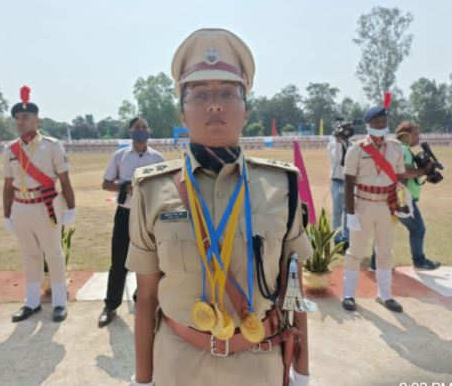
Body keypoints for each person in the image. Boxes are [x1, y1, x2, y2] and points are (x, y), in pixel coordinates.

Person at [125, 28, 313, 386]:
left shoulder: (281, 186)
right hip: (177, 364)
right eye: (200, 94)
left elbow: (294, 291)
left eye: (228, 93)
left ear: (246, 110)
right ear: (182, 113)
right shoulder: (151, 189)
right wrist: (144, 379)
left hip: (258, 364)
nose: (214, 103)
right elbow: (146, 296)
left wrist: (302, 374)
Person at [3, 86, 76, 323]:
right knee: (29, 255)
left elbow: (64, 180)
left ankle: (59, 303)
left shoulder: (52, 145)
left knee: (54, 254)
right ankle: (31, 303)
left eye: (25, 117)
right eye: (17, 117)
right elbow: (7, 184)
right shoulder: (10, 149)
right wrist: (7, 215)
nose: (20, 121)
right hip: (21, 207)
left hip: (49, 208)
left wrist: (71, 209)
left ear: (37, 119)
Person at [98, 117, 164, 327]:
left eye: (144, 128)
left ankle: (142, 298)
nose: (141, 131)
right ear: (130, 131)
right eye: (137, 128)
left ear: (149, 131)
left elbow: (165, 185)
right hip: (125, 214)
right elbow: (105, 184)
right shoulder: (120, 156)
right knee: (119, 261)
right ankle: (110, 306)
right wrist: (123, 187)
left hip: (149, 216)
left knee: (151, 261)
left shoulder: (157, 157)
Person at [342, 103, 407, 313]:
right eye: (377, 121)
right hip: (363, 204)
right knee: (356, 252)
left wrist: (402, 204)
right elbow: (348, 182)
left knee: (385, 252)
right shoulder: (357, 148)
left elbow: (400, 179)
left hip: (385, 206)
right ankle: (349, 294)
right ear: (369, 124)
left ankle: (385, 295)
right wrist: (350, 213)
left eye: (384, 120)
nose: (381, 124)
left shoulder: (396, 147)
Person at [369, 122, 441, 271]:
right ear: (406, 135)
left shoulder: (393, 147)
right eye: (416, 134)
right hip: (401, 197)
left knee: (384, 229)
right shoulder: (403, 149)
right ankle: (419, 261)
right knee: (418, 229)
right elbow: (405, 172)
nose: (418, 137)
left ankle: (376, 263)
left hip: (388, 195)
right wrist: (424, 170)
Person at [327, 123, 352, 250]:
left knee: (349, 211)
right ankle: (337, 239)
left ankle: (347, 239)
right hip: (337, 181)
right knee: (337, 212)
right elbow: (337, 158)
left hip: (349, 183)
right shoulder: (332, 144)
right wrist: (338, 141)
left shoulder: (352, 145)